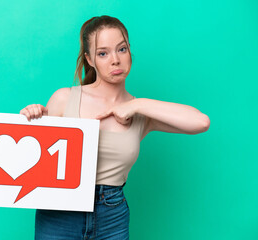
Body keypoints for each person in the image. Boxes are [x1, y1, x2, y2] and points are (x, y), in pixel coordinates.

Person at [20, 15, 210, 240]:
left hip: (111, 214)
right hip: (60, 212)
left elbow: (201, 122)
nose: (115, 60)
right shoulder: (64, 99)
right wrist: (31, 119)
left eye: (121, 49)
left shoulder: (141, 113)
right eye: (103, 53)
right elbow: (38, 166)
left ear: (130, 50)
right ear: (90, 59)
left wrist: (137, 104)